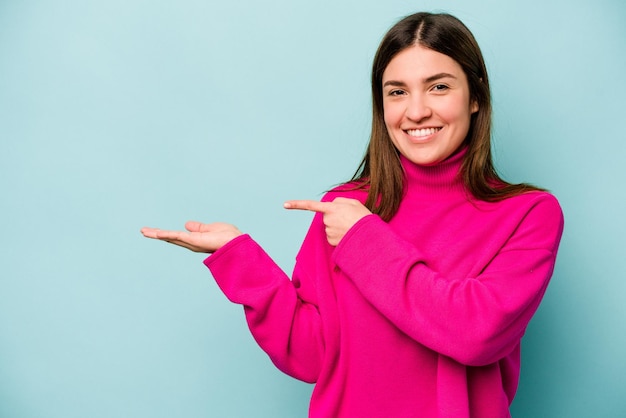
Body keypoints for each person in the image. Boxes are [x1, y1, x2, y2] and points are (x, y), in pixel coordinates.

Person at [141, 12, 564, 418]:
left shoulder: (527, 214)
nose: (416, 111)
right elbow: (312, 356)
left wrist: (364, 239)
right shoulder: (343, 207)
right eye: (397, 92)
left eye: (438, 87)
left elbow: (475, 334)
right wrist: (241, 259)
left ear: (475, 96)